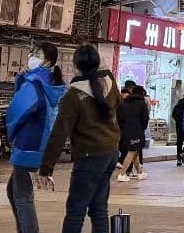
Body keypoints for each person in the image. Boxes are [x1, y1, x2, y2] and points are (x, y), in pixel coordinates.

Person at [38, 45, 121, 233]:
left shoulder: (74, 95)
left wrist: (46, 168)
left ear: (76, 66)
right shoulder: (109, 85)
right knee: (99, 208)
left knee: (76, 210)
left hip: (89, 156)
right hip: (110, 152)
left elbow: (59, 133)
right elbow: (119, 107)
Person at [5, 42, 66, 233]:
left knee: (22, 196)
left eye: (37, 54)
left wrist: (10, 134)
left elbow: (18, 111)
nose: (31, 57)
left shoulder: (33, 83)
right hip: (42, 143)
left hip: (28, 144)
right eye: (32, 53)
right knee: (13, 189)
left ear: (48, 61)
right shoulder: (51, 83)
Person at [116, 86, 149, 182]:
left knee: (135, 151)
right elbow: (145, 119)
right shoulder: (141, 104)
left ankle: (139, 172)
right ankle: (122, 174)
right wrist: (142, 128)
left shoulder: (124, 103)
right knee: (131, 152)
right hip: (136, 131)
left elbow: (119, 117)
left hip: (124, 131)